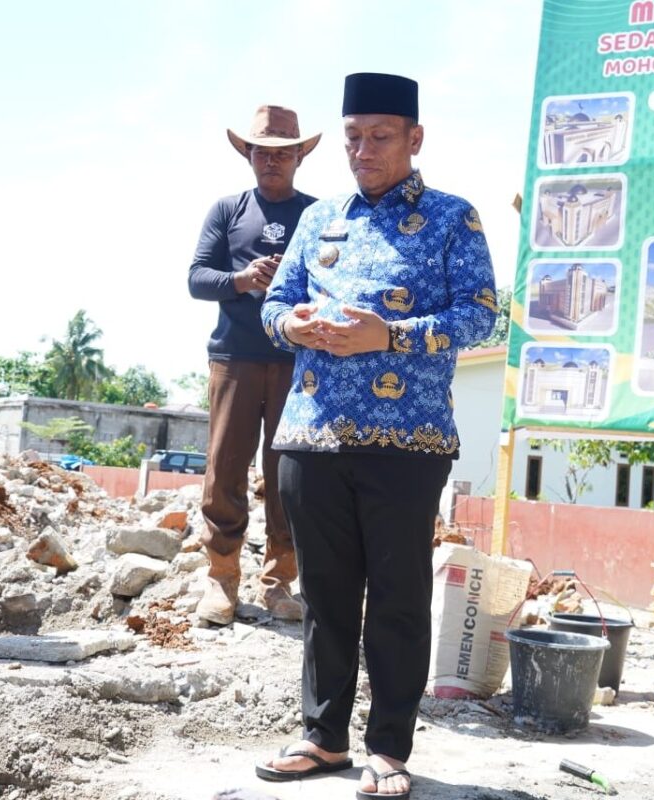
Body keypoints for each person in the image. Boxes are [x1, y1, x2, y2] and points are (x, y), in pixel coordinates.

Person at [257, 73, 497, 799]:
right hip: (312, 434)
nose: (363, 149)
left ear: (414, 139)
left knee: (396, 599)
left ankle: (389, 748)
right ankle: (323, 737)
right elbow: (274, 303)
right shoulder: (320, 217)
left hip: (407, 442)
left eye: (380, 136)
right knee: (326, 597)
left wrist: (387, 335)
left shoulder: (453, 217)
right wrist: (292, 323)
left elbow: (478, 316)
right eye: (353, 136)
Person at [188, 105, 320, 624]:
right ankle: (221, 579)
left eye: (283, 152)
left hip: (297, 362)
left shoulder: (318, 215)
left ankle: (278, 582)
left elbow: (338, 282)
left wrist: (295, 288)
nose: (272, 160)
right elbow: (197, 278)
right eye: (263, 152)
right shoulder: (228, 210)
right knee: (224, 470)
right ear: (248, 155)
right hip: (235, 358)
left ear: (299, 157)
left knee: (288, 475)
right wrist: (242, 280)